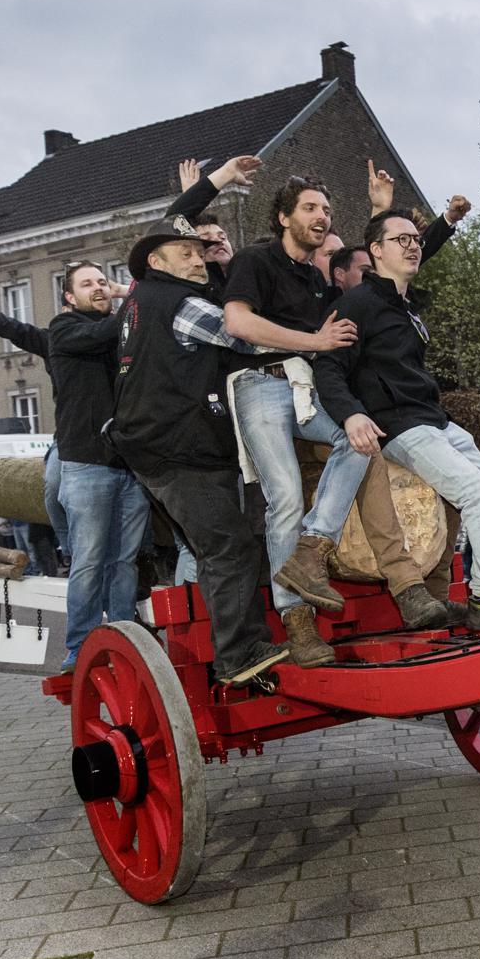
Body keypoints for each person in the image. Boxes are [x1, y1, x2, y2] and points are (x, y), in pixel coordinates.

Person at [312, 208, 480, 631]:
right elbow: (328, 367)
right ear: (375, 251)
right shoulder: (356, 304)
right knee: (473, 491)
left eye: (416, 239)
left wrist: (446, 223)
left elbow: (419, 245)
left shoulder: (404, 304)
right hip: (400, 424)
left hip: (434, 419)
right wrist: (352, 415)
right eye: (401, 240)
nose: (413, 245)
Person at [0, 251, 152, 670]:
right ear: (68, 298)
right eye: (88, 284)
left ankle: (126, 636)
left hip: (130, 465)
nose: (99, 287)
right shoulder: (65, 330)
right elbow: (11, 328)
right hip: (87, 463)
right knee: (88, 558)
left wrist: (129, 297)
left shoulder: (122, 333)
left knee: (123, 561)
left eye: (104, 282)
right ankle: (80, 646)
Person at [112, 221, 288, 689]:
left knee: (211, 550)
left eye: (200, 251)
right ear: (156, 261)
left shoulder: (137, 302)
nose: (198, 259)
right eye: (186, 252)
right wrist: (314, 338)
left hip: (151, 448)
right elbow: (244, 336)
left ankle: (231, 648)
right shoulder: (182, 304)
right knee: (229, 549)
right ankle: (239, 654)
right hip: (179, 450)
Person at [218, 174, 378, 665]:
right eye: (310, 208)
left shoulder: (315, 278)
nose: (321, 217)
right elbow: (237, 323)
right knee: (284, 496)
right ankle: (297, 622)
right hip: (259, 383)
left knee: (360, 438)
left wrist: (381, 211)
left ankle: (311, 552)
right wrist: (315, 341)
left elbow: (376, 277)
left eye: (325, 209)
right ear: (285, 217)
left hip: (304, 388)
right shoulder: (254, 260)